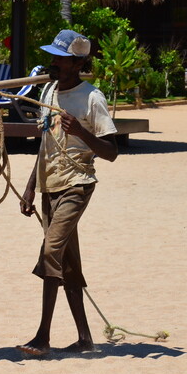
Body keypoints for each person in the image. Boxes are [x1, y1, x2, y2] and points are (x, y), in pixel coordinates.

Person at [17, 29, 119, 356]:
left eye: (60, 58)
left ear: (77, 63)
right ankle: (85, 339)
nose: (53, 62)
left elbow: (111, 151)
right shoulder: (47, 91)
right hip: (50, 188)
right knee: (68, 265)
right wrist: (31, 188)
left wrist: (81, 132)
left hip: (77, 185)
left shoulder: (92, 97)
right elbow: (45, 145)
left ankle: (42, 336)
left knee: (51, 252)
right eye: (53, 56)